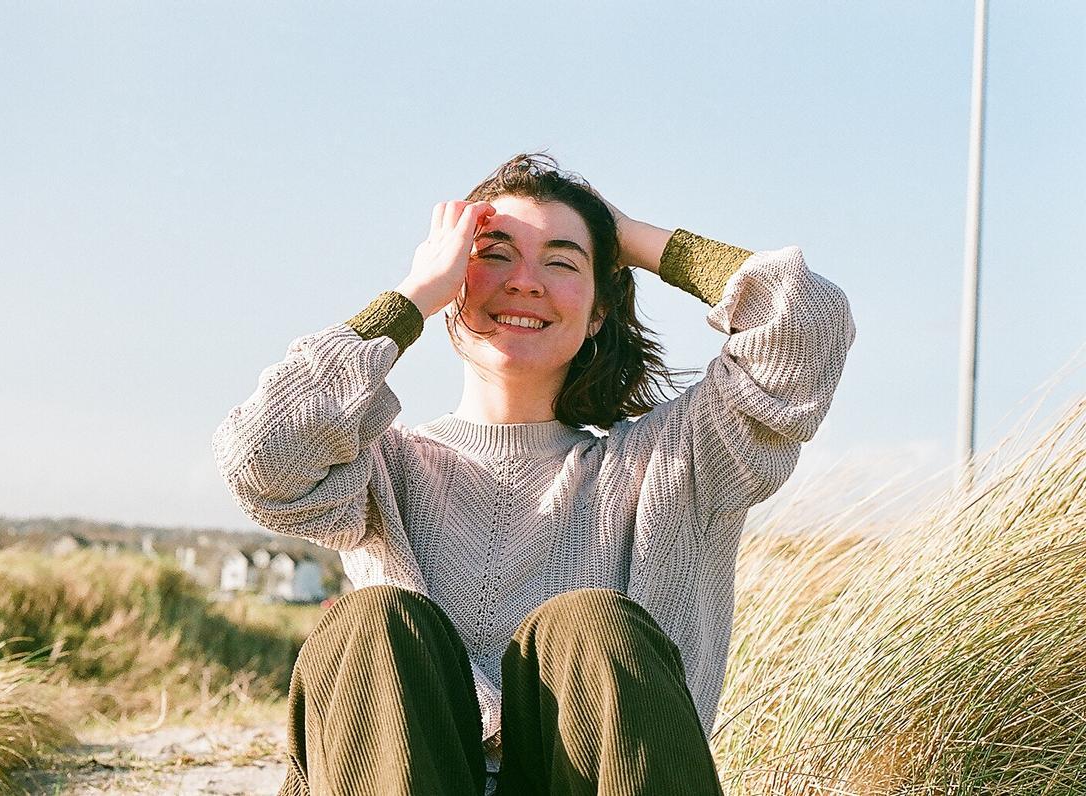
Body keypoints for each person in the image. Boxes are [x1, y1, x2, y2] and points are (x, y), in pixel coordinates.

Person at [212, 153, 857, 795]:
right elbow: (259, 457)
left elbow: (808, 324)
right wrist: (409, 298)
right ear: (453, 285)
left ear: (599, 310)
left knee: (589, 625)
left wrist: (625, 235)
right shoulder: (382, 469)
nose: (525, 280)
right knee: (370, 622)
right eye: (493, 254)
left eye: (560, 261)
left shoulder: (673, 466)